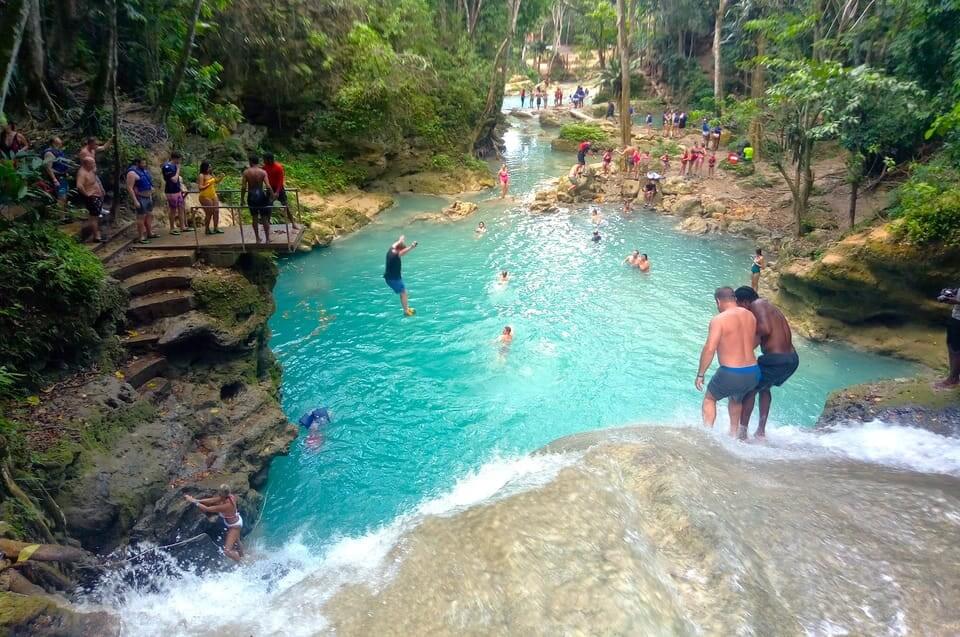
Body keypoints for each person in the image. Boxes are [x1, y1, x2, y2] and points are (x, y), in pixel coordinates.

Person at [734, 286, 800, 439]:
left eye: (739, 306)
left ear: (744, 302)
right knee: (765, 388)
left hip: (776, 360)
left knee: (750, 389)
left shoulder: (757, 305)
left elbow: (764, 329)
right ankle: (761, 432)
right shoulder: (770, 307)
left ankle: (742, 434)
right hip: (791, 359)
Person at [695, 287, 760, 437]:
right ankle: (733, 435)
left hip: (731, 372)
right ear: (734, 299)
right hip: (753, 371)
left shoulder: (719, 319)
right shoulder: (750, 315)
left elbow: (710, 348)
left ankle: (707, 436)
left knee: (710, 399)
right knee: (736, 400)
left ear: (718, 301)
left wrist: (700, 374)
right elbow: (755, 340)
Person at [183, 485, 243, 562]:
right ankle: (242, 555)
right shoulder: (229, 496)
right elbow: (212, 500)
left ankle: (241, 563)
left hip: (234, 526)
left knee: (227, 551)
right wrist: (196, 500)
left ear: (222, 494)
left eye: (219, 493)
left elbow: (208, 509)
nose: (218, 494)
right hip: (236, 521)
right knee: (237, 541)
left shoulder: (226, 506)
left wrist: (194, 502)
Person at [241, 155, 274, 244]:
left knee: (254, 217)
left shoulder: (246, 172)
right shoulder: (263, 172)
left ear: (251, 162)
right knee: (264, 218)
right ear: (257, 162)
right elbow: (268, 186)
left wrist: (242, 199)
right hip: (261, 196)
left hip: (251, 196)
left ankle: (257, 239)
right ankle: (267, 239)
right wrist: (272, 196)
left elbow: (244, 187)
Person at [384, 235, 419, 316]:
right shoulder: (396, 255)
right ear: (399, 249)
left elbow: (395, 244)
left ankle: (406, 309)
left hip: (389, 277)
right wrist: (412, 247)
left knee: (403, 292)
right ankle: (406, 311)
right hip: (394, 279)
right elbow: (403, 252)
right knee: (404, 293)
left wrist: (400, 240)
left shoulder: (391, 250)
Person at [264, 153, 298, 230]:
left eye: (265, 159)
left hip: (279, 188)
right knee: (268, 206)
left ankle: (293, 223)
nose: (264, 161)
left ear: (269, 159)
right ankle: (267, 224)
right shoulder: (265, 167)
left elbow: (280, 181)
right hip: (270, 188)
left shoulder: (278, 167)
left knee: (285, 205)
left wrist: (277, 192)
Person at [126, 158, 156, 244]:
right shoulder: (132, 173)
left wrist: (150, 195)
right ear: (137, 163)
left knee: (150, 215)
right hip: (140, 197)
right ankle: (141, 236)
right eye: (142, 163)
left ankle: (149, 232)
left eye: (145, 163)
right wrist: (135, 200)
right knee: (141, 217)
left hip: (148, 196)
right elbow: (129, 187)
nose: (144, 165)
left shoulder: (144, 171)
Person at [76, 156, 106, 242]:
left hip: (97, 195)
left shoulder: (91, 169)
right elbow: (79, 185)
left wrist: (101, 188)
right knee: (94, 217)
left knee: (96, 216)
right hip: (91, 197)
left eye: (94, 163)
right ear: (86, 164)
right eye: (92, 163)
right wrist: (87, 194)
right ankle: (97, 236)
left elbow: (96, 180)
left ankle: (97, 233)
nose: (94, 164)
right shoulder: (82, 173)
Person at [936, 287, 960, 388]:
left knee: (956, 349)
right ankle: (953, 376)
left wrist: (952, 300)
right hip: (955, 317)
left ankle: (953, 379)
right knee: (951, 345)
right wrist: (951, 293)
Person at [42, 137, 71, 219]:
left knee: (65, 195)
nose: (61, 142)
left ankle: (64, 214)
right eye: (58, 141)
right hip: (57, 178)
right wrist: (54, 179)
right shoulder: (49, 153)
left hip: (63, 176)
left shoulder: (59, 151)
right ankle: (61, 217)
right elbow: (48, 168)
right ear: (54, 143)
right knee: (61, 196)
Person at [161, 151, 186, 236]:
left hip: (177, 190)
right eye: (179, 159)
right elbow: (174, 179)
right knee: (173, 210)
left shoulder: (175, 166)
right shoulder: (167, 167)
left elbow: (177, 181)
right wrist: (178, 169)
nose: (180, 162)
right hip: (171, 191)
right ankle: (172, 228)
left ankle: (182, 226)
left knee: (181, 208)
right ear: (175, 159)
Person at [198, 160, 225, 235]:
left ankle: (216, 228)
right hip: (205, 196)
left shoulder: (211, 174)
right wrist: (207, 185)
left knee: (216, 211)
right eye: (209, 166)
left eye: (210, 166)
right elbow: (200, 187)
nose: (210, 168)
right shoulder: (201, 175)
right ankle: (207, 229)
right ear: (205, 167)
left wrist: (221, 177)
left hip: (213, 194)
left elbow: (215, 181)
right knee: (209, 213)